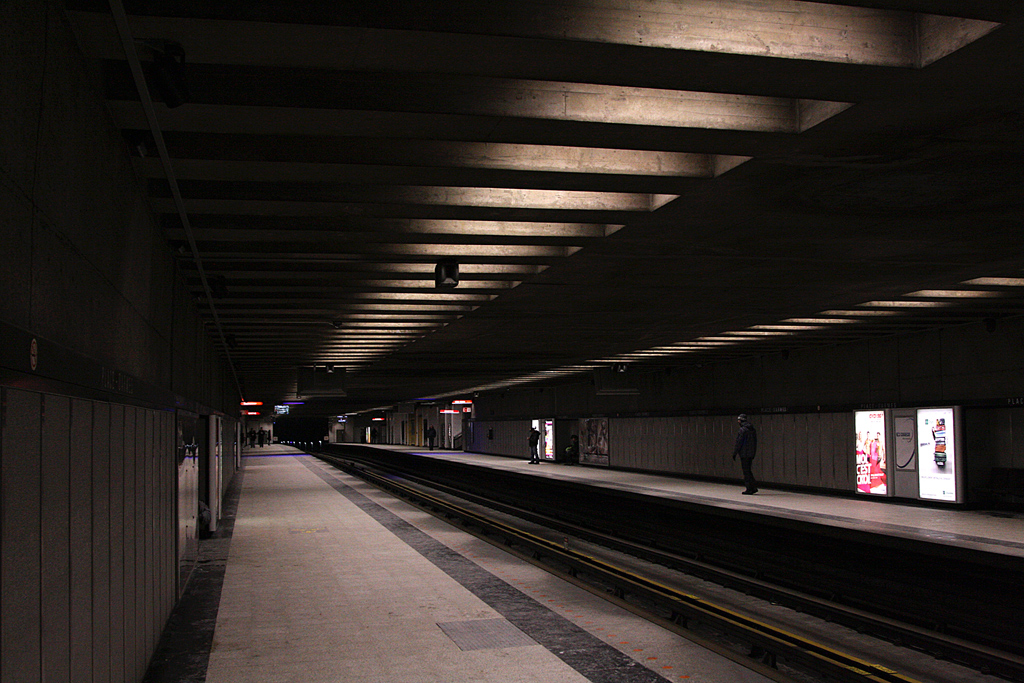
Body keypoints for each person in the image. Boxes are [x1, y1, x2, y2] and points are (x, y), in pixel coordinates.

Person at [732, 414, 758, 494]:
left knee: (746, 471)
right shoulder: (752, 429)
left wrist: (735, 453)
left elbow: (739, 442)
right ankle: (753, 487)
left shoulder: (742, 430)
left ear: (740, 421)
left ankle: (749, 488)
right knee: (748, 470)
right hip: (750, 454)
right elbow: (755, 442)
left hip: (744, 454)